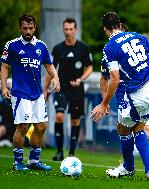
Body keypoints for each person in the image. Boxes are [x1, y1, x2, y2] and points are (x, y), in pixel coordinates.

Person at [91, 12, 149, 180]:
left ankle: (128, 167)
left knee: (124, 128)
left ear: (105, 29)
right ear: (119, 24)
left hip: (137, 94)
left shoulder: (110, 47)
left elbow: (114, 79)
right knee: (140, 128)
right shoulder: (137, 36)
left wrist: (103, 104)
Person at [0, 13, 60, 171]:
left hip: (37, 93)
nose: (28, 31)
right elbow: (5, 66)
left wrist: (56, 78)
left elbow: (48, 65)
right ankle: (17, 161)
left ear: (35, 28)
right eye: (25, 28)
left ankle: (34, 161)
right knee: (23, 127)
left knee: (41, 127)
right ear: (20, 28)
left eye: (30, 28)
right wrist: (4, 86)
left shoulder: (41, 46)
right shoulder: (12, 45)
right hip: (20, 93)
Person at [44, 18, 93, 161]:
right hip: (61, 87)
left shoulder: (83, 48)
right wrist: (46, 89)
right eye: (66, 29)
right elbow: (50, 70)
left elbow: (89, 67)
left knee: (75, 121)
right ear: (63, 30)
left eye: (71, 29)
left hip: (77, 89)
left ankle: (71, 153)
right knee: (59, 116)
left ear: (75, 30)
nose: (68, 32)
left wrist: (81, 79)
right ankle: (59, 151)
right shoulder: (58, 48)